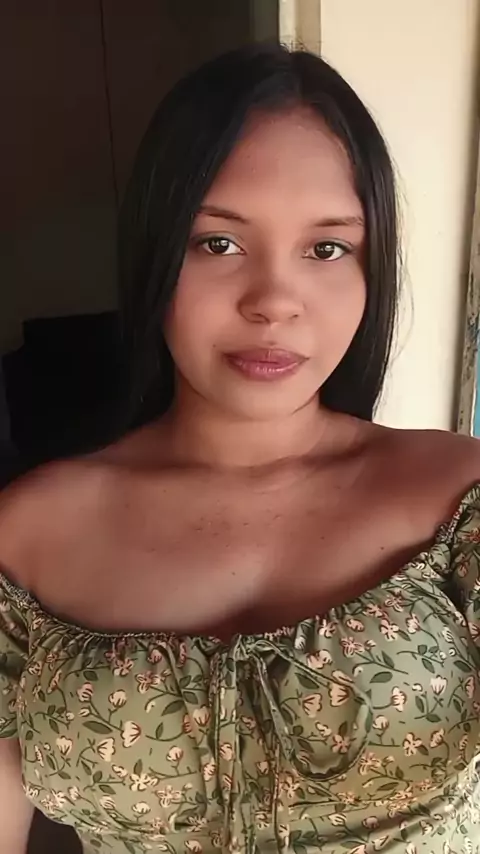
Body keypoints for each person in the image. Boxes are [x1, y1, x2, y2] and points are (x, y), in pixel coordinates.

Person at [0, 42, 479, 854]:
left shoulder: (458, 501)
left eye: (327, 248)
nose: (273, 301)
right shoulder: (26, 537)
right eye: (218, 243)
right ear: (156, 252)